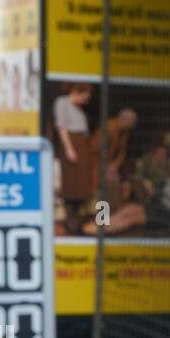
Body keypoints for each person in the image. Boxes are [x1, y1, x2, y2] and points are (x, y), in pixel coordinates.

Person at [53, 83, 93, 235]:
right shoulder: (62, 102)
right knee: (71, 184)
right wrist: (69, 148)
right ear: (77, 91)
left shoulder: (79, 109)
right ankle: (70, 221)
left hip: (82, 144)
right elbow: (61, 127)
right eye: (85, 96)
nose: (86, 100)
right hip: (72, 144)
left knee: (81, 185)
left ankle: (78, 219)